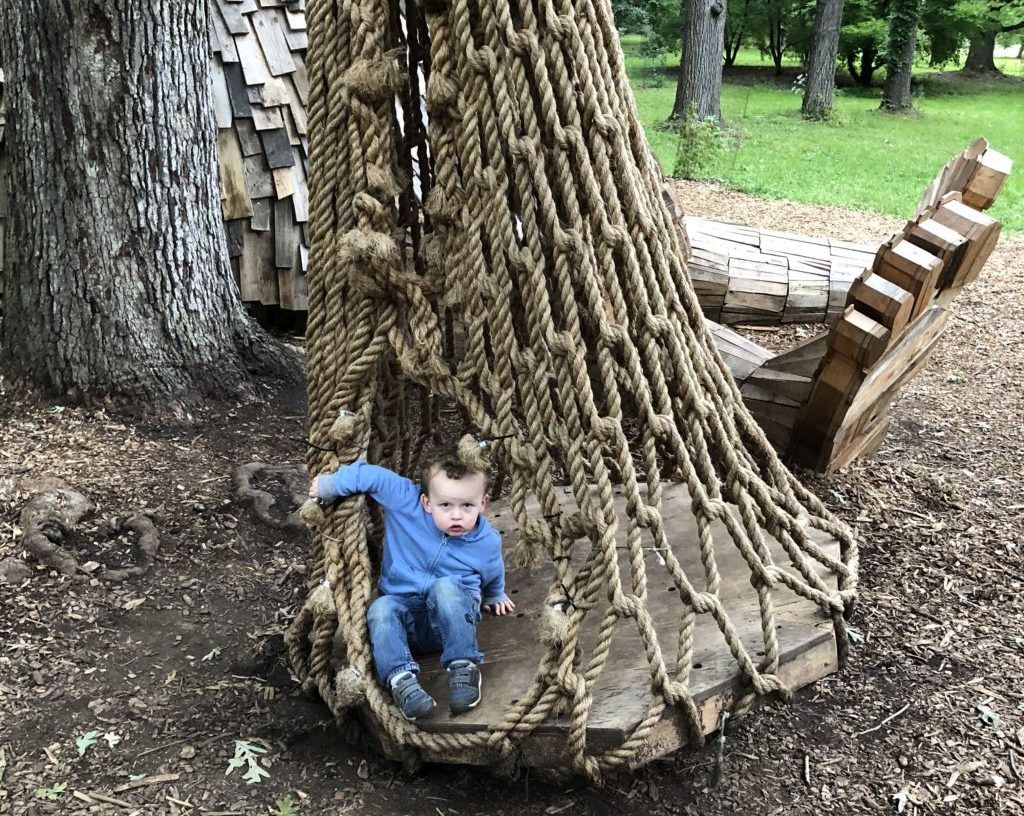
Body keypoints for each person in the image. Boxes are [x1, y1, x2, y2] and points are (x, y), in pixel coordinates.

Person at [309, 442, 515, 721]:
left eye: (467, 505)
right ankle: (402, 681)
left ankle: (463, 666)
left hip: (451, 622)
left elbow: (492, 570)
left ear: (483, 503)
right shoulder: (405, 501)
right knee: (380, 609)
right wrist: (332, 485)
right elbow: (370, 475)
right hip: (406, 623)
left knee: (445, 586)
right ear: (426, 501)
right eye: (445, 505)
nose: (457, 515)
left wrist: (495, 595)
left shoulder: (486, 540)